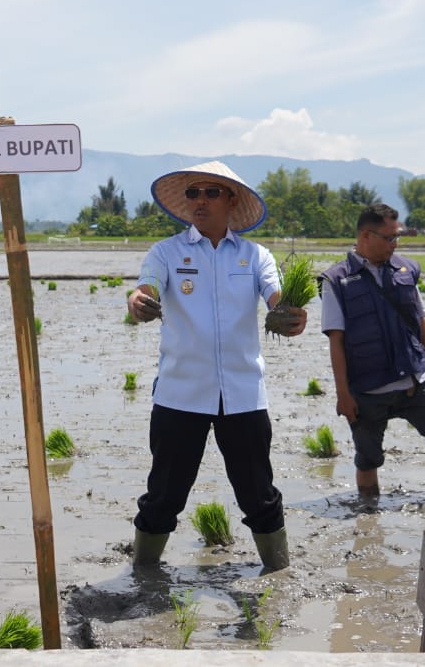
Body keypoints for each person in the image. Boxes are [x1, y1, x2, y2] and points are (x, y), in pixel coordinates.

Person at [126, 160, 306, 570]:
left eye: (210, 192)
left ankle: (278, 573)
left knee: (258, 492)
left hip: (243, 395)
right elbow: (144, 290)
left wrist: (291, 316)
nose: (200, 201)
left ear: (231, 200)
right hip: (180, 393)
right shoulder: (167, 253)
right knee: (164, 495)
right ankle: (143, 575)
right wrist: (137, 303)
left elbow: (277, 299)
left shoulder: (255, 256)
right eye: (193, 193)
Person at [319, 204, 425, 502]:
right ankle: (368, 517)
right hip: (368, 388)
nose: (394, 244)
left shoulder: (405, 269)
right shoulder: (336, 280)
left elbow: (419, 318)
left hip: (415, 380)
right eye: (388, 238)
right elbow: (336, 341)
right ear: (365, 235)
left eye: (397, 237)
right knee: (368, 457)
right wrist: (343, 395)